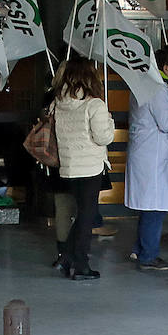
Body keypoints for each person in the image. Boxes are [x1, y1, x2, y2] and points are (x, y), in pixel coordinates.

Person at [51, 56, 116, 281]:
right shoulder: (94, 104)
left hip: (68, 167)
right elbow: (103, 137)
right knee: (86, 217)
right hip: (90, 168)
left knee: (82, 215)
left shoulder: (59, 102)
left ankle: (67, 257)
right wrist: (110, 120)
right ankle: (80, 265)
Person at [125, 48, 168, 270]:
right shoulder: (158, 89)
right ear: (165, 67)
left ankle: (140, 249)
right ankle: (148, 256)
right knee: (155, 208)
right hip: (154, 157)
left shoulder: (144, 85)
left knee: (148, 207)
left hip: (148, 154)